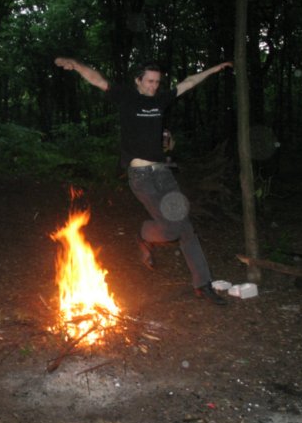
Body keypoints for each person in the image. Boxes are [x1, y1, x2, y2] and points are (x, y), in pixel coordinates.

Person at [54, 57, 233, 305]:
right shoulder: (127, 97)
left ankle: (203, 284)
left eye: (157, 82)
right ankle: (144, 233)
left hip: (163, 174)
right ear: (138, 80)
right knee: (171, 229)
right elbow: (98, 79)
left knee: (185, 227)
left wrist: (214, 69)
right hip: (142, 177)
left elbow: (189, 82)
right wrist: (75, 65)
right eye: (149, 81)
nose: (154, 86)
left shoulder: (160, 100)